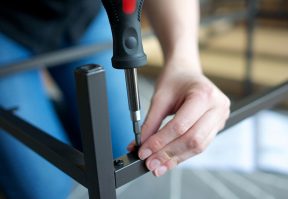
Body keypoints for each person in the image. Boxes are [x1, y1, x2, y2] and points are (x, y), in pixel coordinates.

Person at [0, 0, 230, 198]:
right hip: (6, 24)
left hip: (84, 15)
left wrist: (184, 63)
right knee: (47, 190)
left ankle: (50, 112)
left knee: (120, 150)